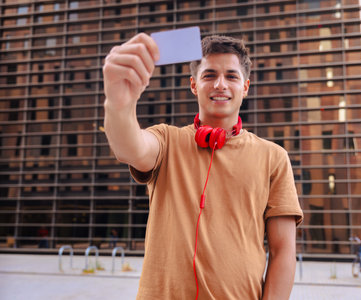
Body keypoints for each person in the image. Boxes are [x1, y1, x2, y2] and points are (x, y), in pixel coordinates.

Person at [103, 32, 303, 300]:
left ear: (245, 86)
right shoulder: (167, 140)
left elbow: (283, 252)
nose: (220, 84)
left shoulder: (274, 157)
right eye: (209, 75)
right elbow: (128, 147)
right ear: (194, 85)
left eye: (231, 76)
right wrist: (118, 104)